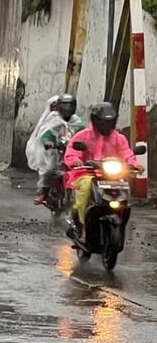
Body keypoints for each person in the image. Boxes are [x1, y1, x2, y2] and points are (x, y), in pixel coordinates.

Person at [63, 102, 145, 239]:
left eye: (109, 122)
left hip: (113, 175)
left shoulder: (119, 138)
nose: (105, 125)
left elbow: (127, 153)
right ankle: (80, 225)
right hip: (87, 173)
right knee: (85, 189)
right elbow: (71, 150)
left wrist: (134, 164)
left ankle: (120, 222)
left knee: (125, 190)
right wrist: (75, 161)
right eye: (102, 122)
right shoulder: (83, 136)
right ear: (95, 120)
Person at [26, 94, 85, 205]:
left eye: (70, 105)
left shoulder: (76, 121)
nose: (67, 108)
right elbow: (45, 135)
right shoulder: (53, 118)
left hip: (72, 151)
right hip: (56, 151)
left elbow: (83, 134)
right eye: (65, 105)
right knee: (51, 169)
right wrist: (51, 143)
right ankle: (43, 191)